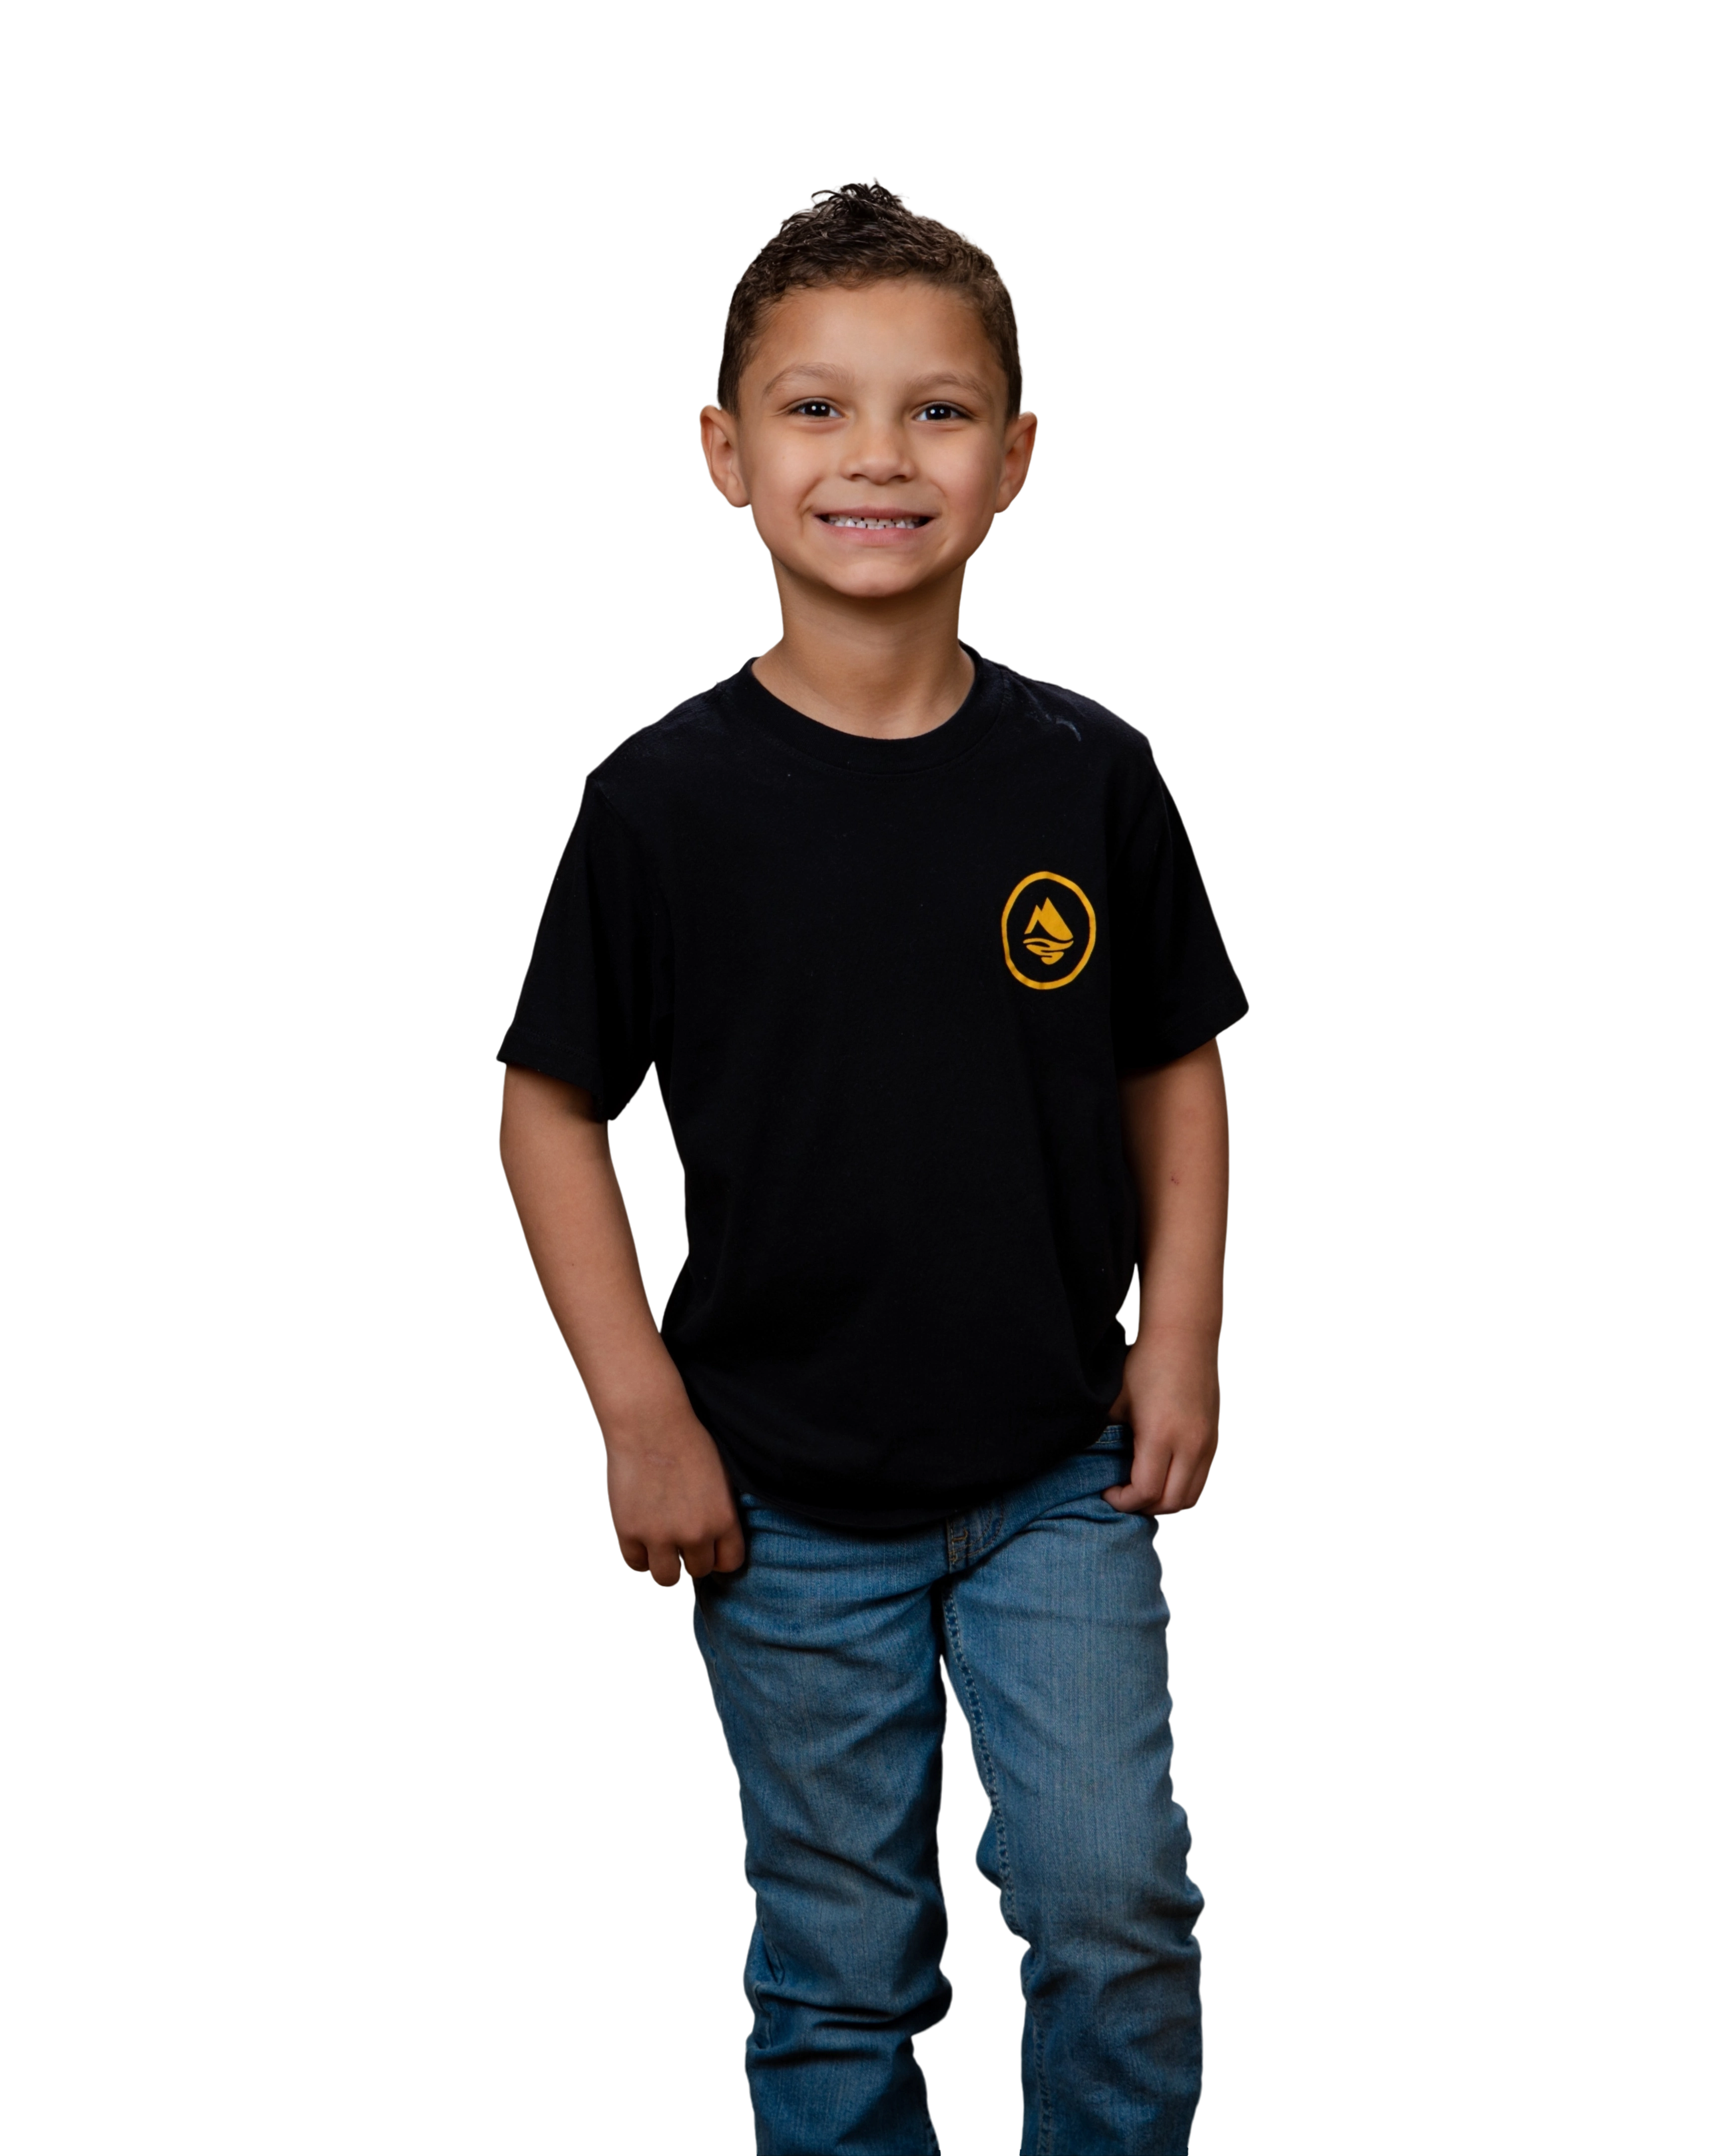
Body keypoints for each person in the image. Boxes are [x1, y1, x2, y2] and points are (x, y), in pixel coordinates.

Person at [497, 179, 1248, 2156]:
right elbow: (546, 1102)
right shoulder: (658, 803)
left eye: (936, 409)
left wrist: (1182, 1340)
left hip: (1060, 1469)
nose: (877, 457)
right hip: (778, 1494)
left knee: (1116, 1902)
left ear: (1016, 458)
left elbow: (1173, 1060)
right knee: (840, 1952)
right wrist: (640, 1416)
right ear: (725, 452)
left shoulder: (1091, 774)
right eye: (816, 407)